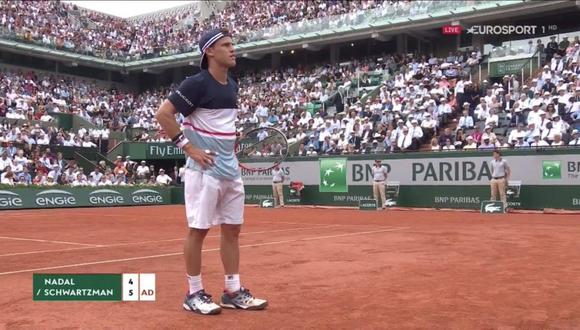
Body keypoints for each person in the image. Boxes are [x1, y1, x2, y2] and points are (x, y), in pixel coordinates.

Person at [155, 28, 267, 316]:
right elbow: (163, 114)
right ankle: (193, 293)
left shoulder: (232, 84)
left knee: (232, 231)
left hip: (229, 169)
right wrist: (189, 148)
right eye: (226, 45)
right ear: (210, 52)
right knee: (198, 231)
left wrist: (231, 137)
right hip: (203, 171)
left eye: (233, 44)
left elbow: (218, 123)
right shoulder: (196, 83)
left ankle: (232, 290)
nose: (233, 49)